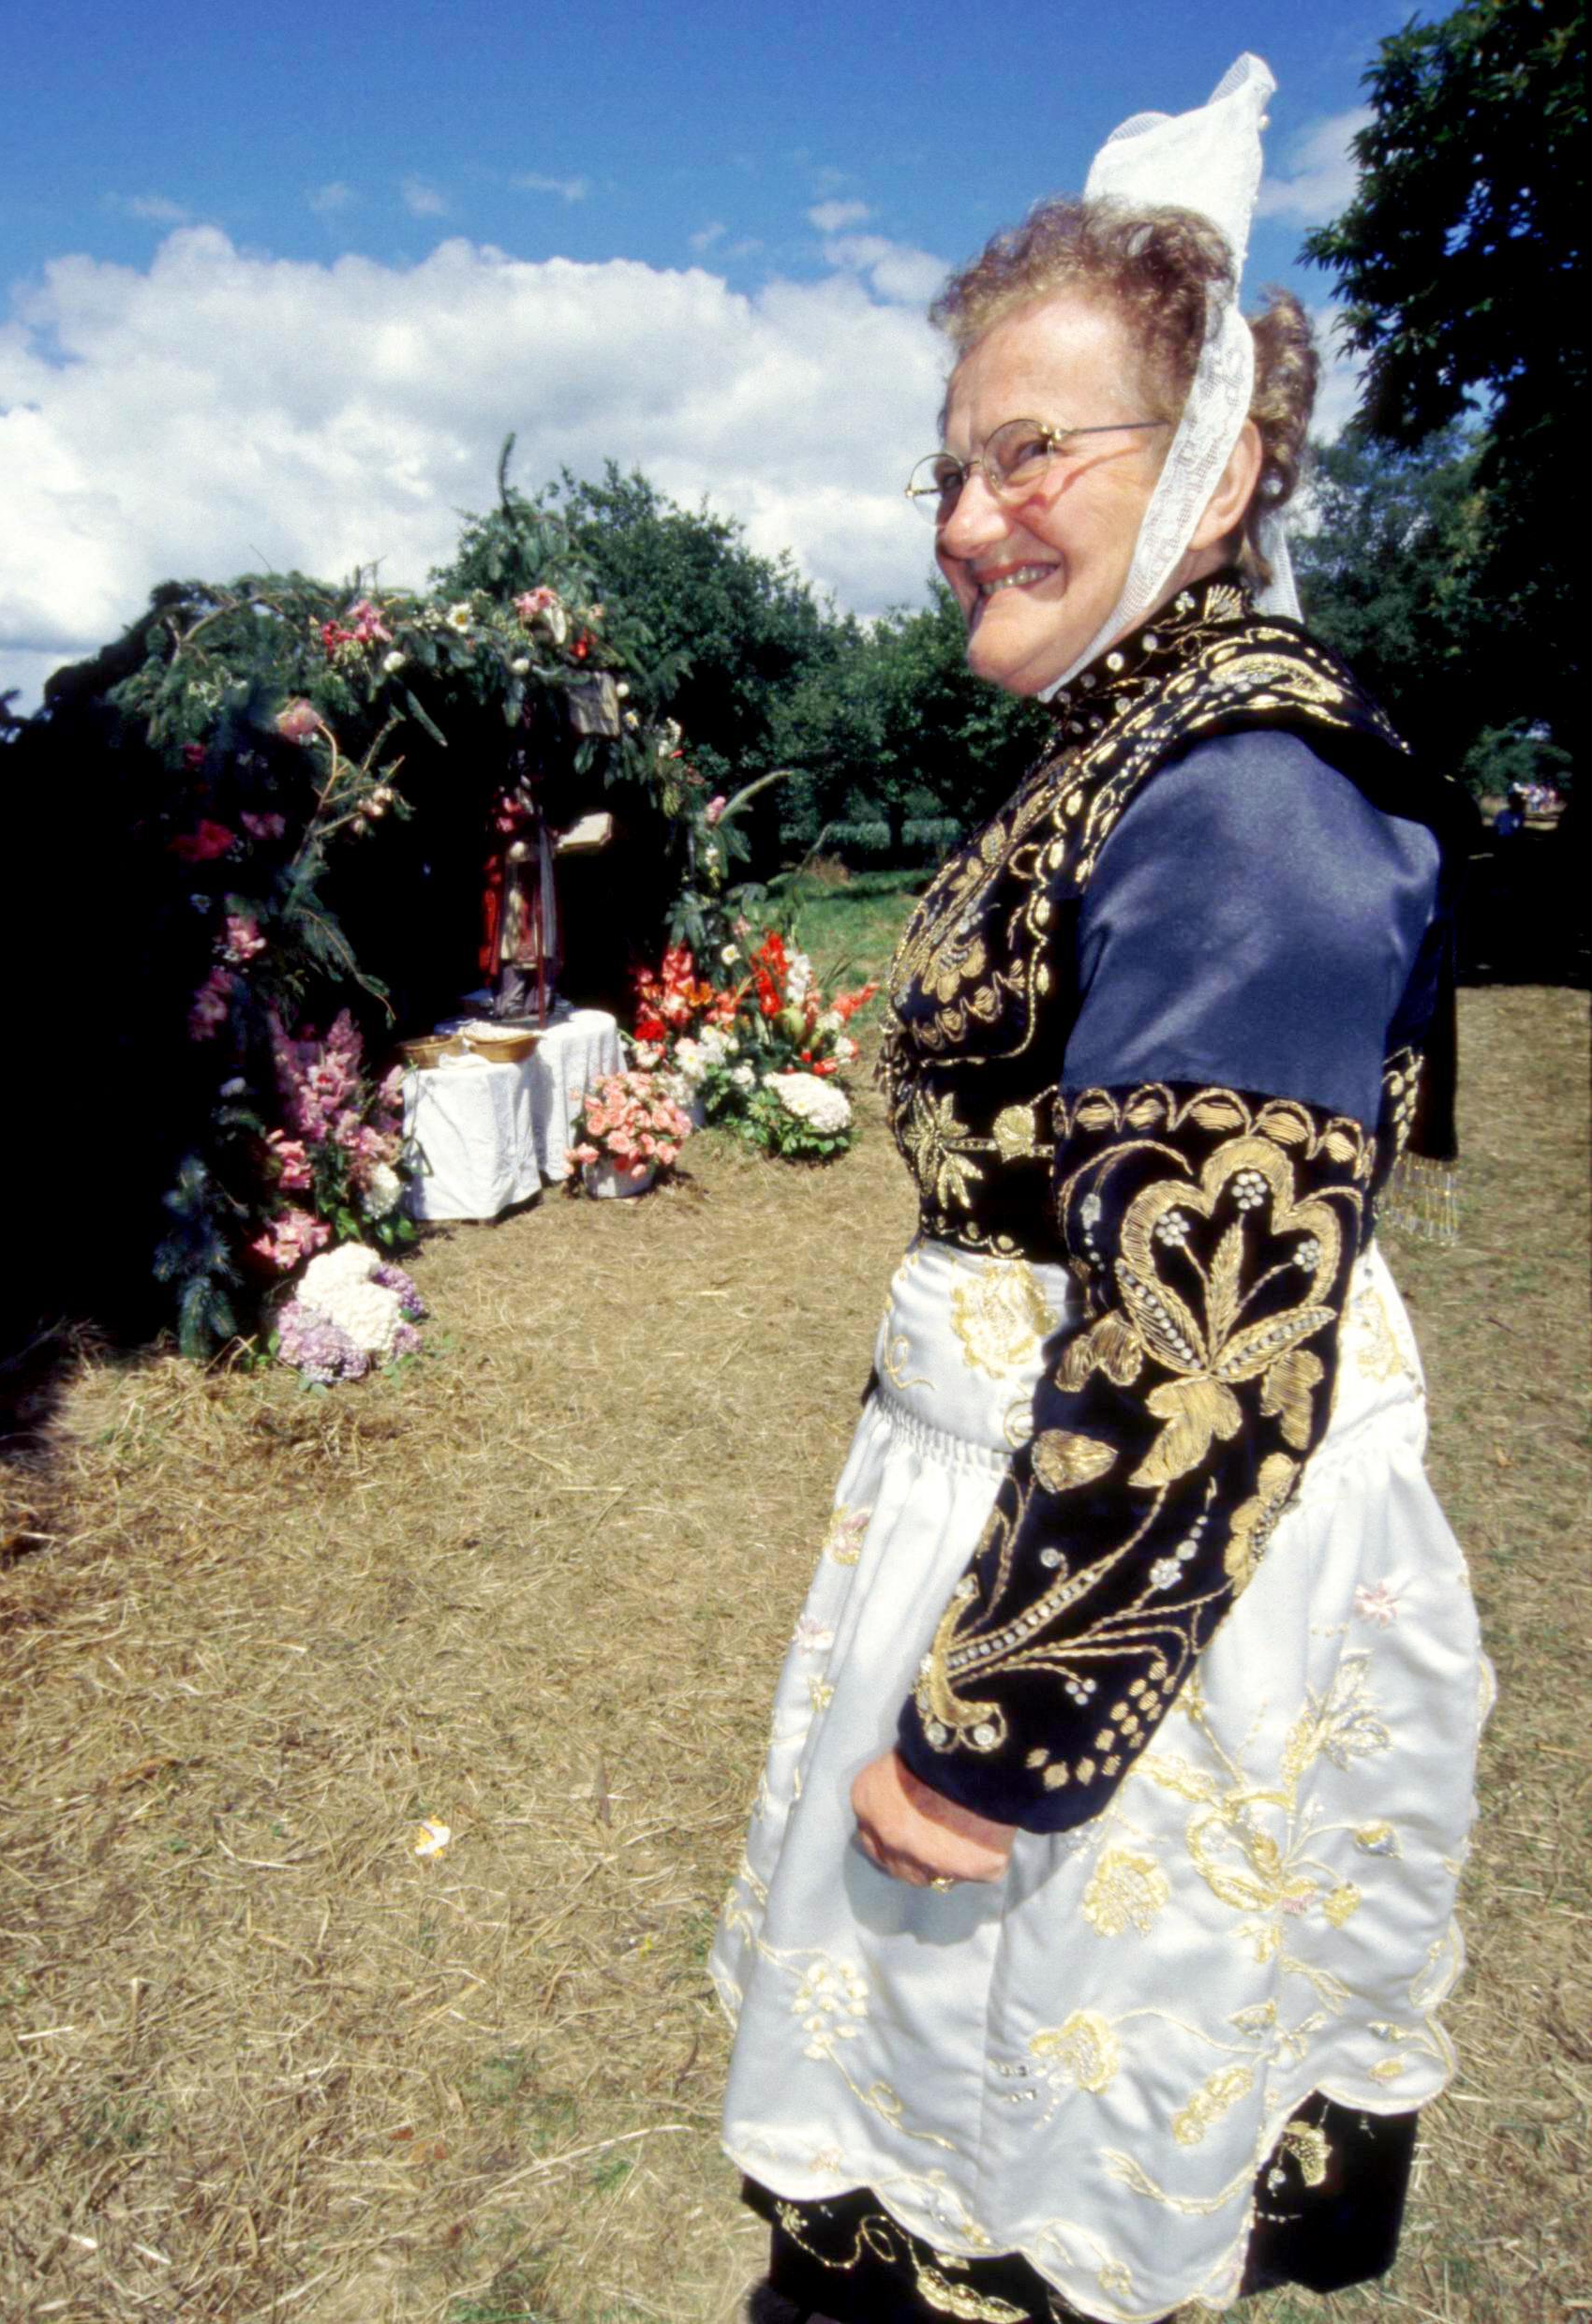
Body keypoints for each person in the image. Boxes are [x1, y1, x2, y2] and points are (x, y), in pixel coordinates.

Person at [710, 57, 1488, 2324]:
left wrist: (991, 1741)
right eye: (950, 464)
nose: (963, 515)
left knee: (1011, 2192)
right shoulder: (1133, 743)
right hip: (1027, 1522)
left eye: (1030, 451)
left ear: (1220, 462)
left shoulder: (1241, 793)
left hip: (1116, 1630)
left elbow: (1205, 1344)